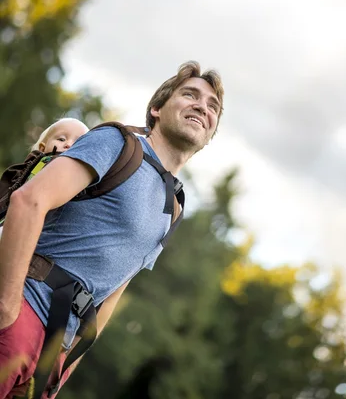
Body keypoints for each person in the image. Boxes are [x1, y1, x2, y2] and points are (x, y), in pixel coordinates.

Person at [0, 61, 224, 398]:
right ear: (157, 109)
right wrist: (6, 308)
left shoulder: (173, 207)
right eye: (190, 94)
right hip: (20, 313)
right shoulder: (117, 144)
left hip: (50, 355)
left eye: (212, 106)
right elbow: (29, 201)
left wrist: (65, 366)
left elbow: (115, 288)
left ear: (210, 132)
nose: (201, 106)